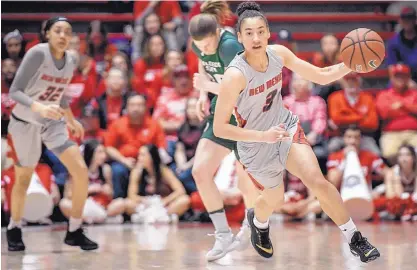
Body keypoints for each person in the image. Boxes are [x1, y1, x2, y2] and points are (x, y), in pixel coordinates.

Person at [213, 2, 380, 263]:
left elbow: (322, 76)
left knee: (317, 180)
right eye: (248, 33)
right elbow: (219, 127)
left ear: (268, 33)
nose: (255, 38)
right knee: (274, 197)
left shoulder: (278, 53)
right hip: (255, 143)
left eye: (260, 31)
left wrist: (351, 64)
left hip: (285, 127)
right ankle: (258, 221)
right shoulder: (235, 75)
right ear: (240, 37)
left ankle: (354, 238)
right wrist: (262, 136)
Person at [6, 17, 98, 251]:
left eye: (67, 32)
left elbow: (60, 92)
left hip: (52, 120)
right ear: (47, 34)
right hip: (25, 121)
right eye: (57, 31)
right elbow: (15, 91)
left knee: (80, 171)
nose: (63, 36)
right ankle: (14, 227)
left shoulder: (71, 59)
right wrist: (39, 107)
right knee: (24, 178)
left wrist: (70, 119)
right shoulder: (37, 53)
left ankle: (75, 230)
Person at [188, 0, 259, 261]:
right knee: (200, 170)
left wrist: (209, 84)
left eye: (208, 44)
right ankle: (222, 234)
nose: (203, 49)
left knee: (244, 181)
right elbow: (203, 63)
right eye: (199, 45)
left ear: (218, 32)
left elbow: (244, 90)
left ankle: (251, 228)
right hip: (222, 112)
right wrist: (201, 94)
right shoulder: (200, 42)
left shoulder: (229, 46)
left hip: (246, 114)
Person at [59, 139, 126, 224]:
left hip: (101, 205)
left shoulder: (106, 169)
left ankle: (97, 218)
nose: (103, 156)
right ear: (90, 153)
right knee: (64, 204)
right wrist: (89, 190)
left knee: (121, 202)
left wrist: (106, 190)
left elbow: (111, 195)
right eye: (99, 152)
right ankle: (97, 219)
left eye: (104, 152)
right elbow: (68, 195)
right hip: (83, 206)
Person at [125, 144, 190, 219]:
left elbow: (180, 190)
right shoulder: (136, 172)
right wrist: (146, 201)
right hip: (145, 205)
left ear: (152, 156)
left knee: (185, 200)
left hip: (164, 205)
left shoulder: (164, 171)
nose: (139, 158)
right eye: (139, 155)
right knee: (126, 203)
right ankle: (153, 216)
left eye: (143, 155)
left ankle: (161, 216)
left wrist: (165, 201)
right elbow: (131, 195)